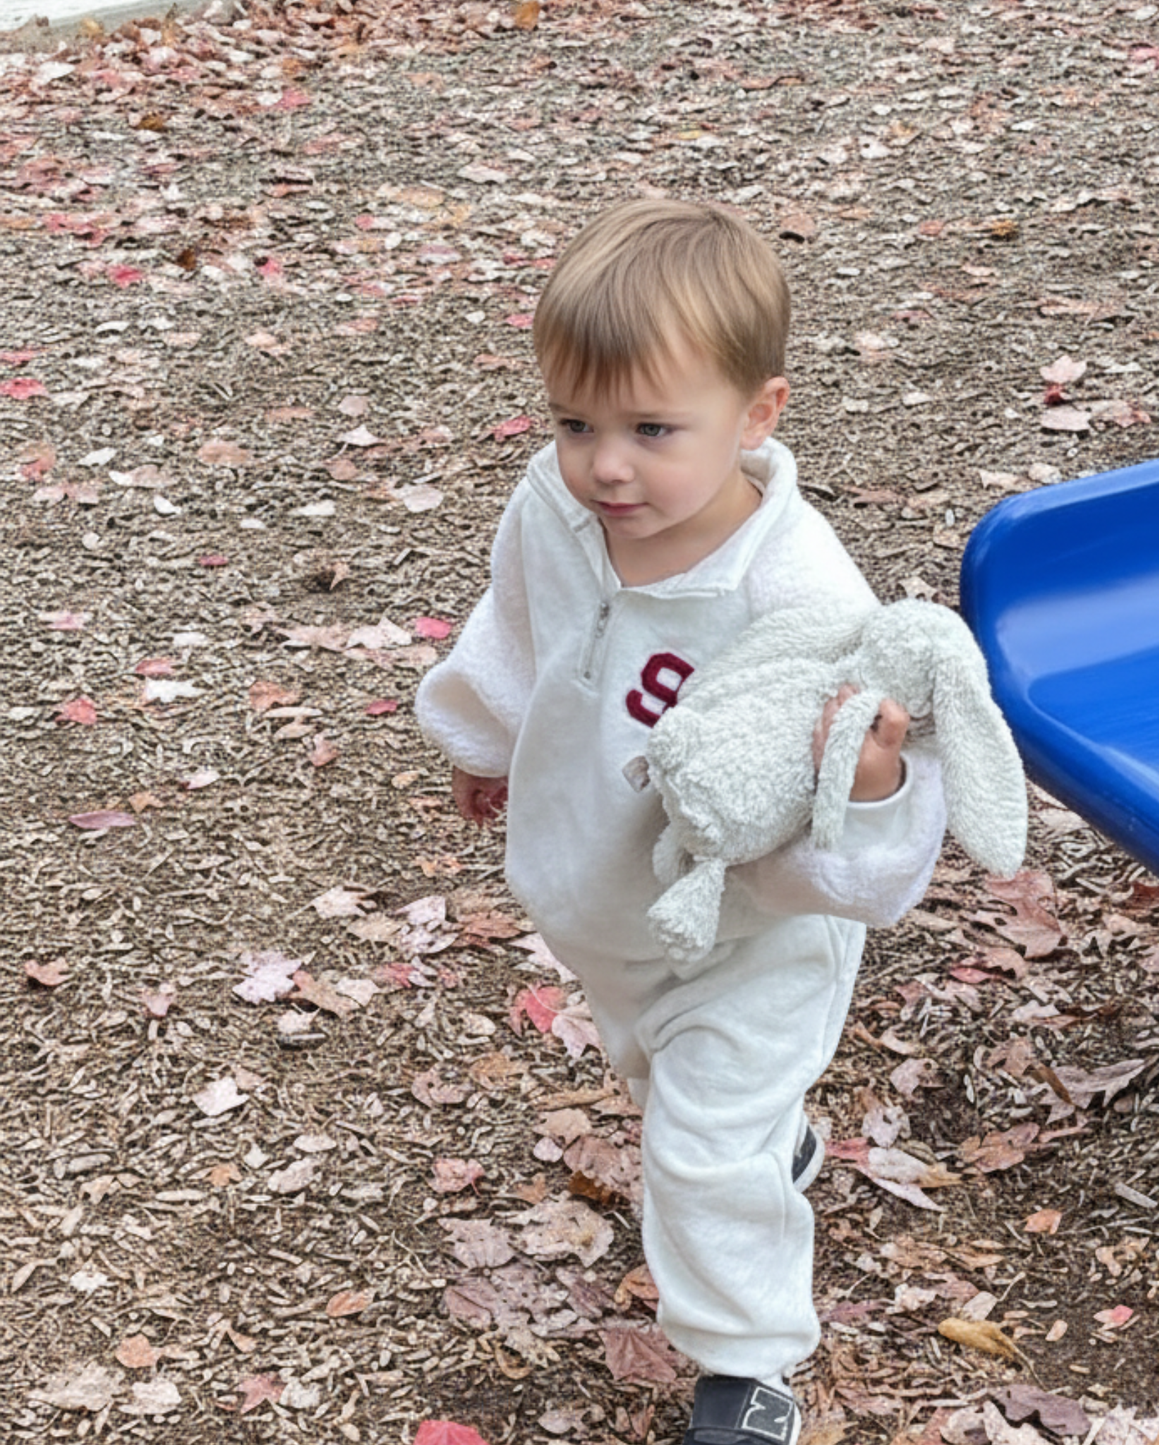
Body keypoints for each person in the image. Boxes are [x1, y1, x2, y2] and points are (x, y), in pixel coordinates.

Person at [415, 198, 948, 1445]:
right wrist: (485, 739)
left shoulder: (796, 591)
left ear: (756, 413)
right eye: (574, 422)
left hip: (755, 927)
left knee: (698, 1147)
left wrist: (866, 787)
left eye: (653, 430)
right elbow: (521, 627)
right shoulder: (558, 507)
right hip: (603, 893)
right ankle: (774, 1145)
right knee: (667, 1088)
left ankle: (747, 1368)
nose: (606, 464)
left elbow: (880, 797)